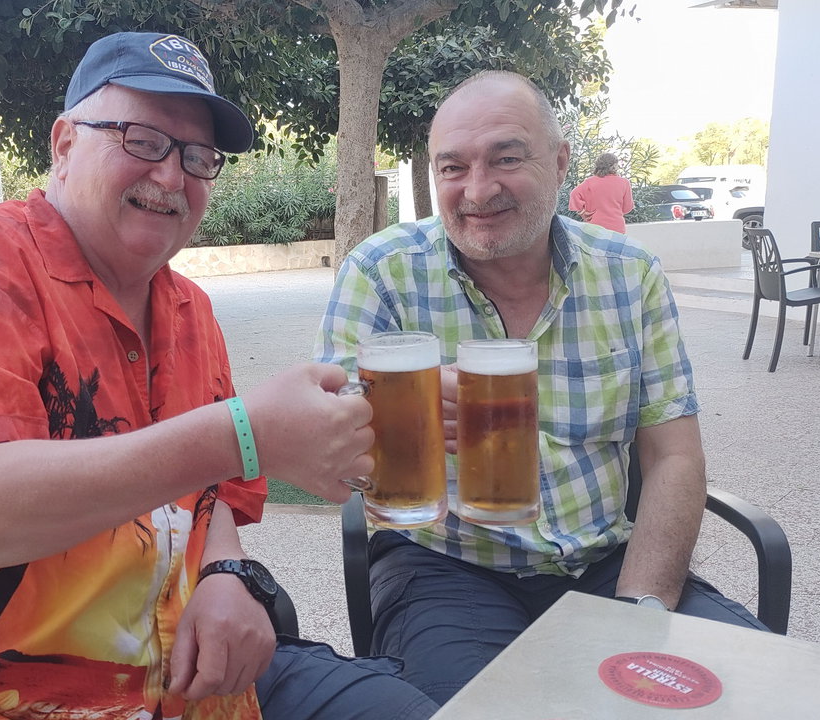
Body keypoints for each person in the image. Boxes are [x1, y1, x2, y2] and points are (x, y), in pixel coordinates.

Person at [0, 32, 437, 720]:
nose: (171, 176)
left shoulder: (188, 310)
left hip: (169, 679)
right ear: (63, 143)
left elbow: (210, 492)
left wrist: (228, 572)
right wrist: (243, 434)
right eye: (142, 139)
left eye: (198, 157)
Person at [315, 70, 767, 705]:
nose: (478, 190)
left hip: (609, 563)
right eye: (453, 168)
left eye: (506, 158)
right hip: (446, 566)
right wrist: (393, 410)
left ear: (559, 164)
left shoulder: (629, 274)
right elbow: (327, 442)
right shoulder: (381, 271)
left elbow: (675, 455)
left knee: (752, 697)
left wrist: (639, 610)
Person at [568, 151, 634, 233]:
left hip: (595, 227)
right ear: (614, 165)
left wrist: (582, 211)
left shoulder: (590, 182)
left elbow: (574, 194)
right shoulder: (624, 183)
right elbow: (627, 208)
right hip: (617, 227)